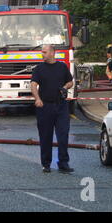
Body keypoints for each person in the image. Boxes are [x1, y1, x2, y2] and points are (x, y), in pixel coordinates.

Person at [31, 44, 74, 174]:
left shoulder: (62, 67)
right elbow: (33, 85)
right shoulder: (39, 69)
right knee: (45, 136)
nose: (42, 54)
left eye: (44, 52)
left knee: (63, 134)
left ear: (52, 53)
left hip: (61, 106)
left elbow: (70, 81)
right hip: (45, 106)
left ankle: (63, 163)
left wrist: (65, 87)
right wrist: (37, 99)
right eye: (41, 52)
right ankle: (46, 164)